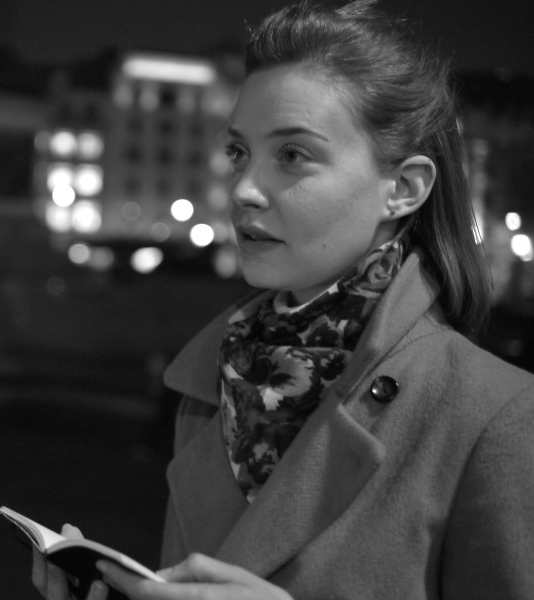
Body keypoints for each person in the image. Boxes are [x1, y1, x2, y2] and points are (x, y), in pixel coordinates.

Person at [32, 0, 534, 598]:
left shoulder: (495, 416)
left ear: (403, 188)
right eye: (238, 153)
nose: (243, 190)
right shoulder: (213, 383)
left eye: (292, 155)